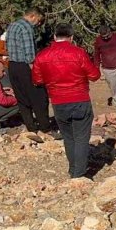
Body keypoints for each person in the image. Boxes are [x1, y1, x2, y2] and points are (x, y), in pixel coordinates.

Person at [32, 23, 101, 179]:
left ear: (55, 36)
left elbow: (37, 79)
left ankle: (73, 169)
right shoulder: (78, 53)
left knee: (69, 138)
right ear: (71, 37)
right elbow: (94, 76)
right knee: (81, 138)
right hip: (80, 99)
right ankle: (79, 173)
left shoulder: (42, 55)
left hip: (58, 101)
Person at [6, 9, 52, 133]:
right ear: (32, 16)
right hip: (25, 67)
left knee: (22, 98)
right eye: (38, 21)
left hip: (13, 65)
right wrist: (36, 72)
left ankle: (31, 127)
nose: (38, 24)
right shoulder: (26, 28)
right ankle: (45, 127)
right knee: (39, 97)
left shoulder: (12, 26)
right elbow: (29, 54)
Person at [92, 25, 116, 117]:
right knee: (114, 88)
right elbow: (96, 55)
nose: (106, 38)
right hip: (108, 69)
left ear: (110, 32)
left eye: (107, 35)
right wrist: (97, 68)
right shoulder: (98, 41)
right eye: (103, 37)